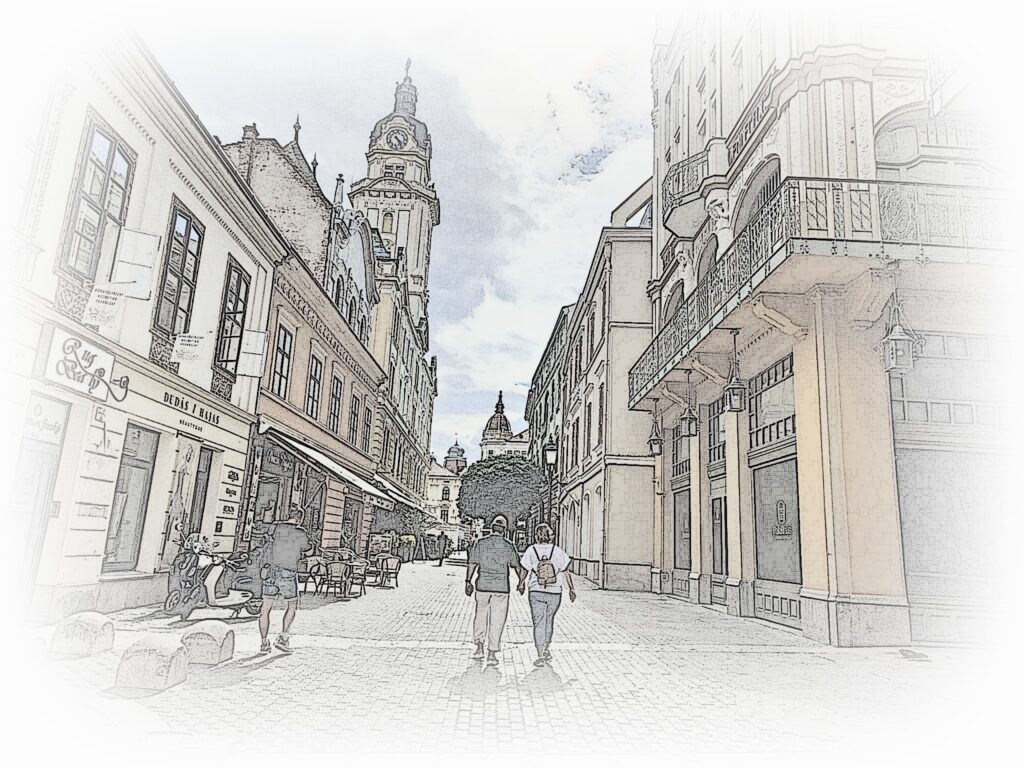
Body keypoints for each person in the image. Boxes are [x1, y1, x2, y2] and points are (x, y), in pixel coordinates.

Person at [465, 515, 526, 666]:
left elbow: (472, 564)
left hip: (482, 586)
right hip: (501, 588)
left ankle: (479, 647)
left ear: (491, 528)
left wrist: (468, 581)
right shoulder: (508, 545)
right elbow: (517, 566)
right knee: (497, 620)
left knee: (480, 616)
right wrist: (521, 582)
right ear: (504, 530)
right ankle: (492, 653)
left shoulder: (480, 543)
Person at [518, 523, 575, 667]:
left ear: (537, 536)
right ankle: (546, 648)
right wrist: (571, 588)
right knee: (549, 620)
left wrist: (521, 583)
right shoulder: (558, 551)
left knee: (538, 622)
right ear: (550, 535)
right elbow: (566, 571)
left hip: (536, 590)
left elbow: (525, 569)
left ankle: (540, 653)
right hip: (554, 591)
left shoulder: (531, 550)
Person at [258, 507, 312, 655]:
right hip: (288, 572)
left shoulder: (274, 527)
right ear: (300, 519)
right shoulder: (300, 532)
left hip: (270, 572)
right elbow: (309, 551)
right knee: (292, 605)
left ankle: (264, 643)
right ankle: (283, 638)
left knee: (265, 609)